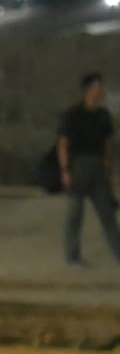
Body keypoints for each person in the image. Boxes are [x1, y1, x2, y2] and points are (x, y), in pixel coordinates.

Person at [57, 71, 120, 268]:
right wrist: (66, 170)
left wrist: (110, 172)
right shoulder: (73, 115)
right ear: (87, 89)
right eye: (97, 86)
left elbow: (108, 145)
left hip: (98, 167)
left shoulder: (103, 116)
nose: (100, 90)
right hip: (78, 165)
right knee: (75, 214)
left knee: (107, 214)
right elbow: (63, 144)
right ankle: (73, 256)